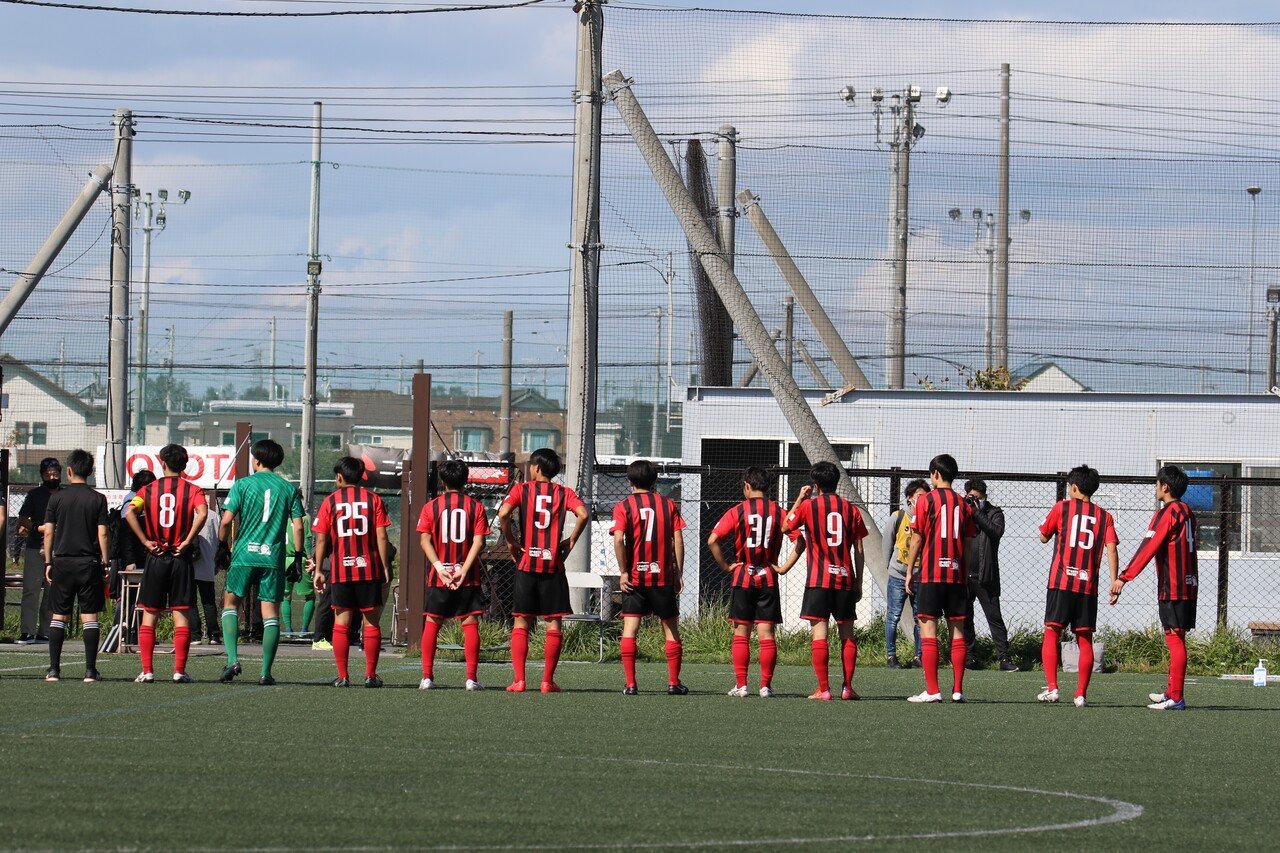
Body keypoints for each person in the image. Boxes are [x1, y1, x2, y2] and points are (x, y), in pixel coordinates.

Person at [497, 447, 589, 693]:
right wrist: (570, 541)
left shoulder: (521, 489)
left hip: (527, 564)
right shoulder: (563, 492)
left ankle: (519, 680)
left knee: (521, 621)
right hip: (552, 566)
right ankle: (548, 681)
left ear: (536, 468)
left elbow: (503, 513)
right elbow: (583, 514)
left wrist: (509, 540)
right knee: (553, 623)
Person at [217, 439, 306, 686]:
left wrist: (222, 546)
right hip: (272, 557)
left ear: (256, 460)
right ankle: (266, 672)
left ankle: (233, 659)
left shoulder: (243, 484)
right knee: (270, 614)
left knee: (231, 604)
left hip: (245, 554)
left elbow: (225, 521)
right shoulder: (288, 488)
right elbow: (298, 526)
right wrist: (297, 557)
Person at [1110, 464, 1198, 711]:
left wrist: (1123, 578)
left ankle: (1177, 698)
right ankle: (1171, 691)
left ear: (1165, 487)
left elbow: (1148, 548)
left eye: (1157, 484)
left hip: (1173, 586)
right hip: (1189, 584)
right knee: (1176, 637)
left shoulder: (1167, 513)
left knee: (1175, 639)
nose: (1156, 488)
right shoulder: (1188, 511)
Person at [782, 461, 868, 701]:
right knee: (847, 634)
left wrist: (800, 498)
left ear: (816, 484)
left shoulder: (809, 506)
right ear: (837, 482)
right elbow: (859, 549)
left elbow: (785, 526)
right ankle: (848, 688)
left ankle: (824, 689)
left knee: (820, 633)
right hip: (844, 579)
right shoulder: (851, 509)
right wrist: (858, 582)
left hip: (819, 581)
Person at [123, 444, 209, 684]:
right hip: (180, 558)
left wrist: (145, 541)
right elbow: (202, 513)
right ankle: (179, 671)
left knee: (150, 613)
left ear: (162, 463)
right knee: (181, 614)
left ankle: (148, 671)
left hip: (156, 557)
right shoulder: (193, 489)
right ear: (184, 465)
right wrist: (189, 540)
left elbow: (130, 512)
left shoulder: (148, 490)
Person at [1037, 464, 1119, 707]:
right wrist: (1114, 581)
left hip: (1061, 583)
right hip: (1087, 587)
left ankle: (1053, 688)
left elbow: (1043, 536)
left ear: (1073, 487)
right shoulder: (1105, 516)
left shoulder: (1062, 508)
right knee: (1085, 638)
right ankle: (1081, 694)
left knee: (1052, 632)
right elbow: (1111, 548)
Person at [311, 456, 392, 688]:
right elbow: (382, 536)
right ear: (361, 476)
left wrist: (318, 569)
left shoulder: (330, 501)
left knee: (342, 622)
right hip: (368, 569)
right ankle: (370, 675)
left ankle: (343, 676)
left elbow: (321, 539)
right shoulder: (374, 499)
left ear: (339, 476)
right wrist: (385, 566)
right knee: (371, 622)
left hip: (341, 570)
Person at [611, 459, 688, 696]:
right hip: (662, 577)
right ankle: (674, 683)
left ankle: (631, 684)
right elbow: (678, 540)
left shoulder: (623, 506)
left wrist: (623, 572)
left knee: (630, 628)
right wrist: (678, 574)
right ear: (655, 481)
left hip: (635, 578)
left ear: (629, 481)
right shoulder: (668, 505)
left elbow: (618, 539)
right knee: (671, 628)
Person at [904, 454, 976, 704]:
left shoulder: (925, 501)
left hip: (932, 574)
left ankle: (933, 690)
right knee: (958, 632)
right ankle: (958, 690)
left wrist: (910, 570)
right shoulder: (963, 504)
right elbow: (968, 544)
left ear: (935, 474)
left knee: (928, 629)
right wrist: (964, 572)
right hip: (956, 575)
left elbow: (917, 538)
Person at [708, 466, 785, 698]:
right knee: (767, 634)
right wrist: (782, 567)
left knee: (741, 633)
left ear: (747, 486)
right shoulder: (779, 511)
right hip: (768, 577)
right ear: (769, 487)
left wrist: (727, 566)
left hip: (743, 578)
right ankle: (765, 686)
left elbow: (713, 540)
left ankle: (741, 685)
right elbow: (799, 540)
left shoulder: (738, 510)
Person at [417, 458, 490, 691]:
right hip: (465, 576)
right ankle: (471, 679)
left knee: (432, 622)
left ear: (441, 481)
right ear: (466, 480)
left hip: (440, 576)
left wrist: (440, 568)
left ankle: (427, 678)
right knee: (470, 623)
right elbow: (479, 542)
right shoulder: (475, 506)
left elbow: (424, 540)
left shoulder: (431, 506)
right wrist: (464, 569)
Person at [41, 450, 109, 683]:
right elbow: (103, 533)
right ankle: (90, 671)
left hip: (62, 562)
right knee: (89, 616)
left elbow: (49, 531)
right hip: (88, 562)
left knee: (59, 616)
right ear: (90, 472)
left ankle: (53, 670)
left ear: (68, 471)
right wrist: (105, 562)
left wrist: (49, 561)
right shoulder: (98, 498)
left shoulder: (56, 498)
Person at [961, 480, 1018, 672]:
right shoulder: (960, 511)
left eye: (978, 498)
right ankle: (971, 657)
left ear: (985, 497)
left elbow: (996, 532)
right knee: (965, 617)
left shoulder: (995, 513)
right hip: (964, 574)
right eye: (971, 498)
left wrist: (977, 513)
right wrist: (967, 510)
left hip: (986, 575)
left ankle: (1004, 658)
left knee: (994, 618)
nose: (974, 501)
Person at [882, 479, 927, 668]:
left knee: (920, 617)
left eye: (926, 496)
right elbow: (887, 543)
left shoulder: (928, 519)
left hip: (920, 575)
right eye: (919, 496)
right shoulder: (898, 517)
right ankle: (891, 655)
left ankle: (919, 656)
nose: (923, 500)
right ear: (909, 499)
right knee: (893, 616)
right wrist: (889, 567)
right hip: (898, 575)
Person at [16, 457, 61, 644]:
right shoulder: (35, 494)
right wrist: (37, 528)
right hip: (35, 547)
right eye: (48, 474)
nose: (52, 477)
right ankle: (27, 631)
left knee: (52, 592)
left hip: (58, 550)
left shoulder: (65, 494)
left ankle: (45, 631)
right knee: (31, 590)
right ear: (42, 475)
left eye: (55, 473)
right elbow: (22, 518)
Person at [189, 506, 223, 645]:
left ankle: (195, 635)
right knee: (208, 602)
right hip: (208, 562)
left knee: (190, 601)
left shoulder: (188, 513)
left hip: (189, 564)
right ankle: (214, 635)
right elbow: (219, 538)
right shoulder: (213, 515)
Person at [282, 516, 315, 637]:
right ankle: (304, 630)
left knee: (286, 595)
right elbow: (306, 539)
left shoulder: (282, 516)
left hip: (284, 560)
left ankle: (288, 630)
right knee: (310, 596)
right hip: (300, 560)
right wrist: (310, 558)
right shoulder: (304, 518)